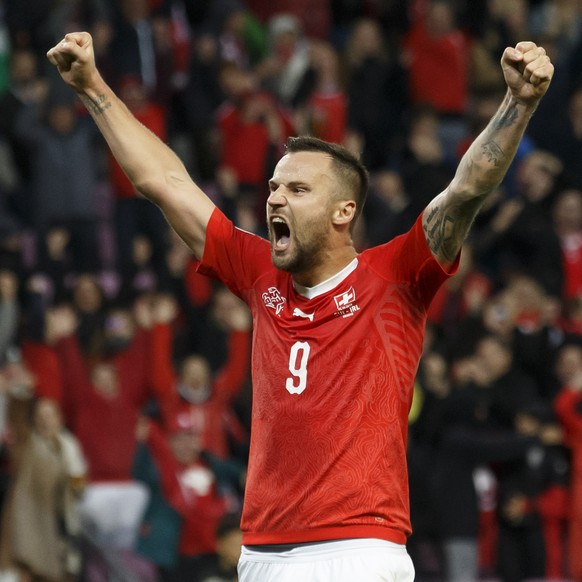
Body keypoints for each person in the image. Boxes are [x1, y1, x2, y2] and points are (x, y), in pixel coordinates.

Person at [46, 31, 554, 582]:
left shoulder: (395, 276)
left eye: (297, 189)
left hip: (359, 548)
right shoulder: (259, 271)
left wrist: (517, 103)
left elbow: (465, 190)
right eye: (273, 186)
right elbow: (164, 182)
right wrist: (92, 87)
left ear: (344, 212)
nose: (274, 198)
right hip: (262, 552)